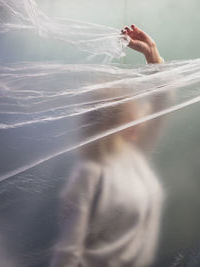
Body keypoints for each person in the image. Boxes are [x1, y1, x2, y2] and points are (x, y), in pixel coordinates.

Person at [50, 25, 166, 267]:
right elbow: (67, 254)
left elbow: (162, 103)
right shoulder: (89, 174)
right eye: (130, 114)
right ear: (109, 123)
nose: (139, 119)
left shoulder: (133, 157)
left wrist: (152, 54)